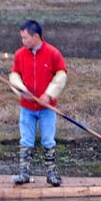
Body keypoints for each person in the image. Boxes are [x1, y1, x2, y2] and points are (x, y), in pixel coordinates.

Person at [9, 20, 67, 187]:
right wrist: (21, 90)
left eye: (25, 38)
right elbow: (14, 75)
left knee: (48, 140)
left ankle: (51, 174)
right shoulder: (19, 54)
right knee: (26, 140)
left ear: (36, 37)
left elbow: (61, 75)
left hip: (47, 108)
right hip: (27, 108)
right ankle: (24, 173)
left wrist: (48, 95)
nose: (23, 41)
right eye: (22, 38)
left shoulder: (53, 53)